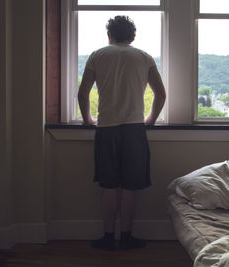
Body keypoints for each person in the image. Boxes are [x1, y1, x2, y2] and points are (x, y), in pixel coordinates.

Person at [78, 15, 166, 251]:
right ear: (133, 36)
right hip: (134, 129)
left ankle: (108, 238)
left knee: (109, 186)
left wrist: (88, 120)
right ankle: (126, 236)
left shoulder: (98, 55)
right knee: (129, 187)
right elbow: (161, 94)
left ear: (110, 35)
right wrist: (150, 120)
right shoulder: (144, 57)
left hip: (106, 128)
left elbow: (83, 93)